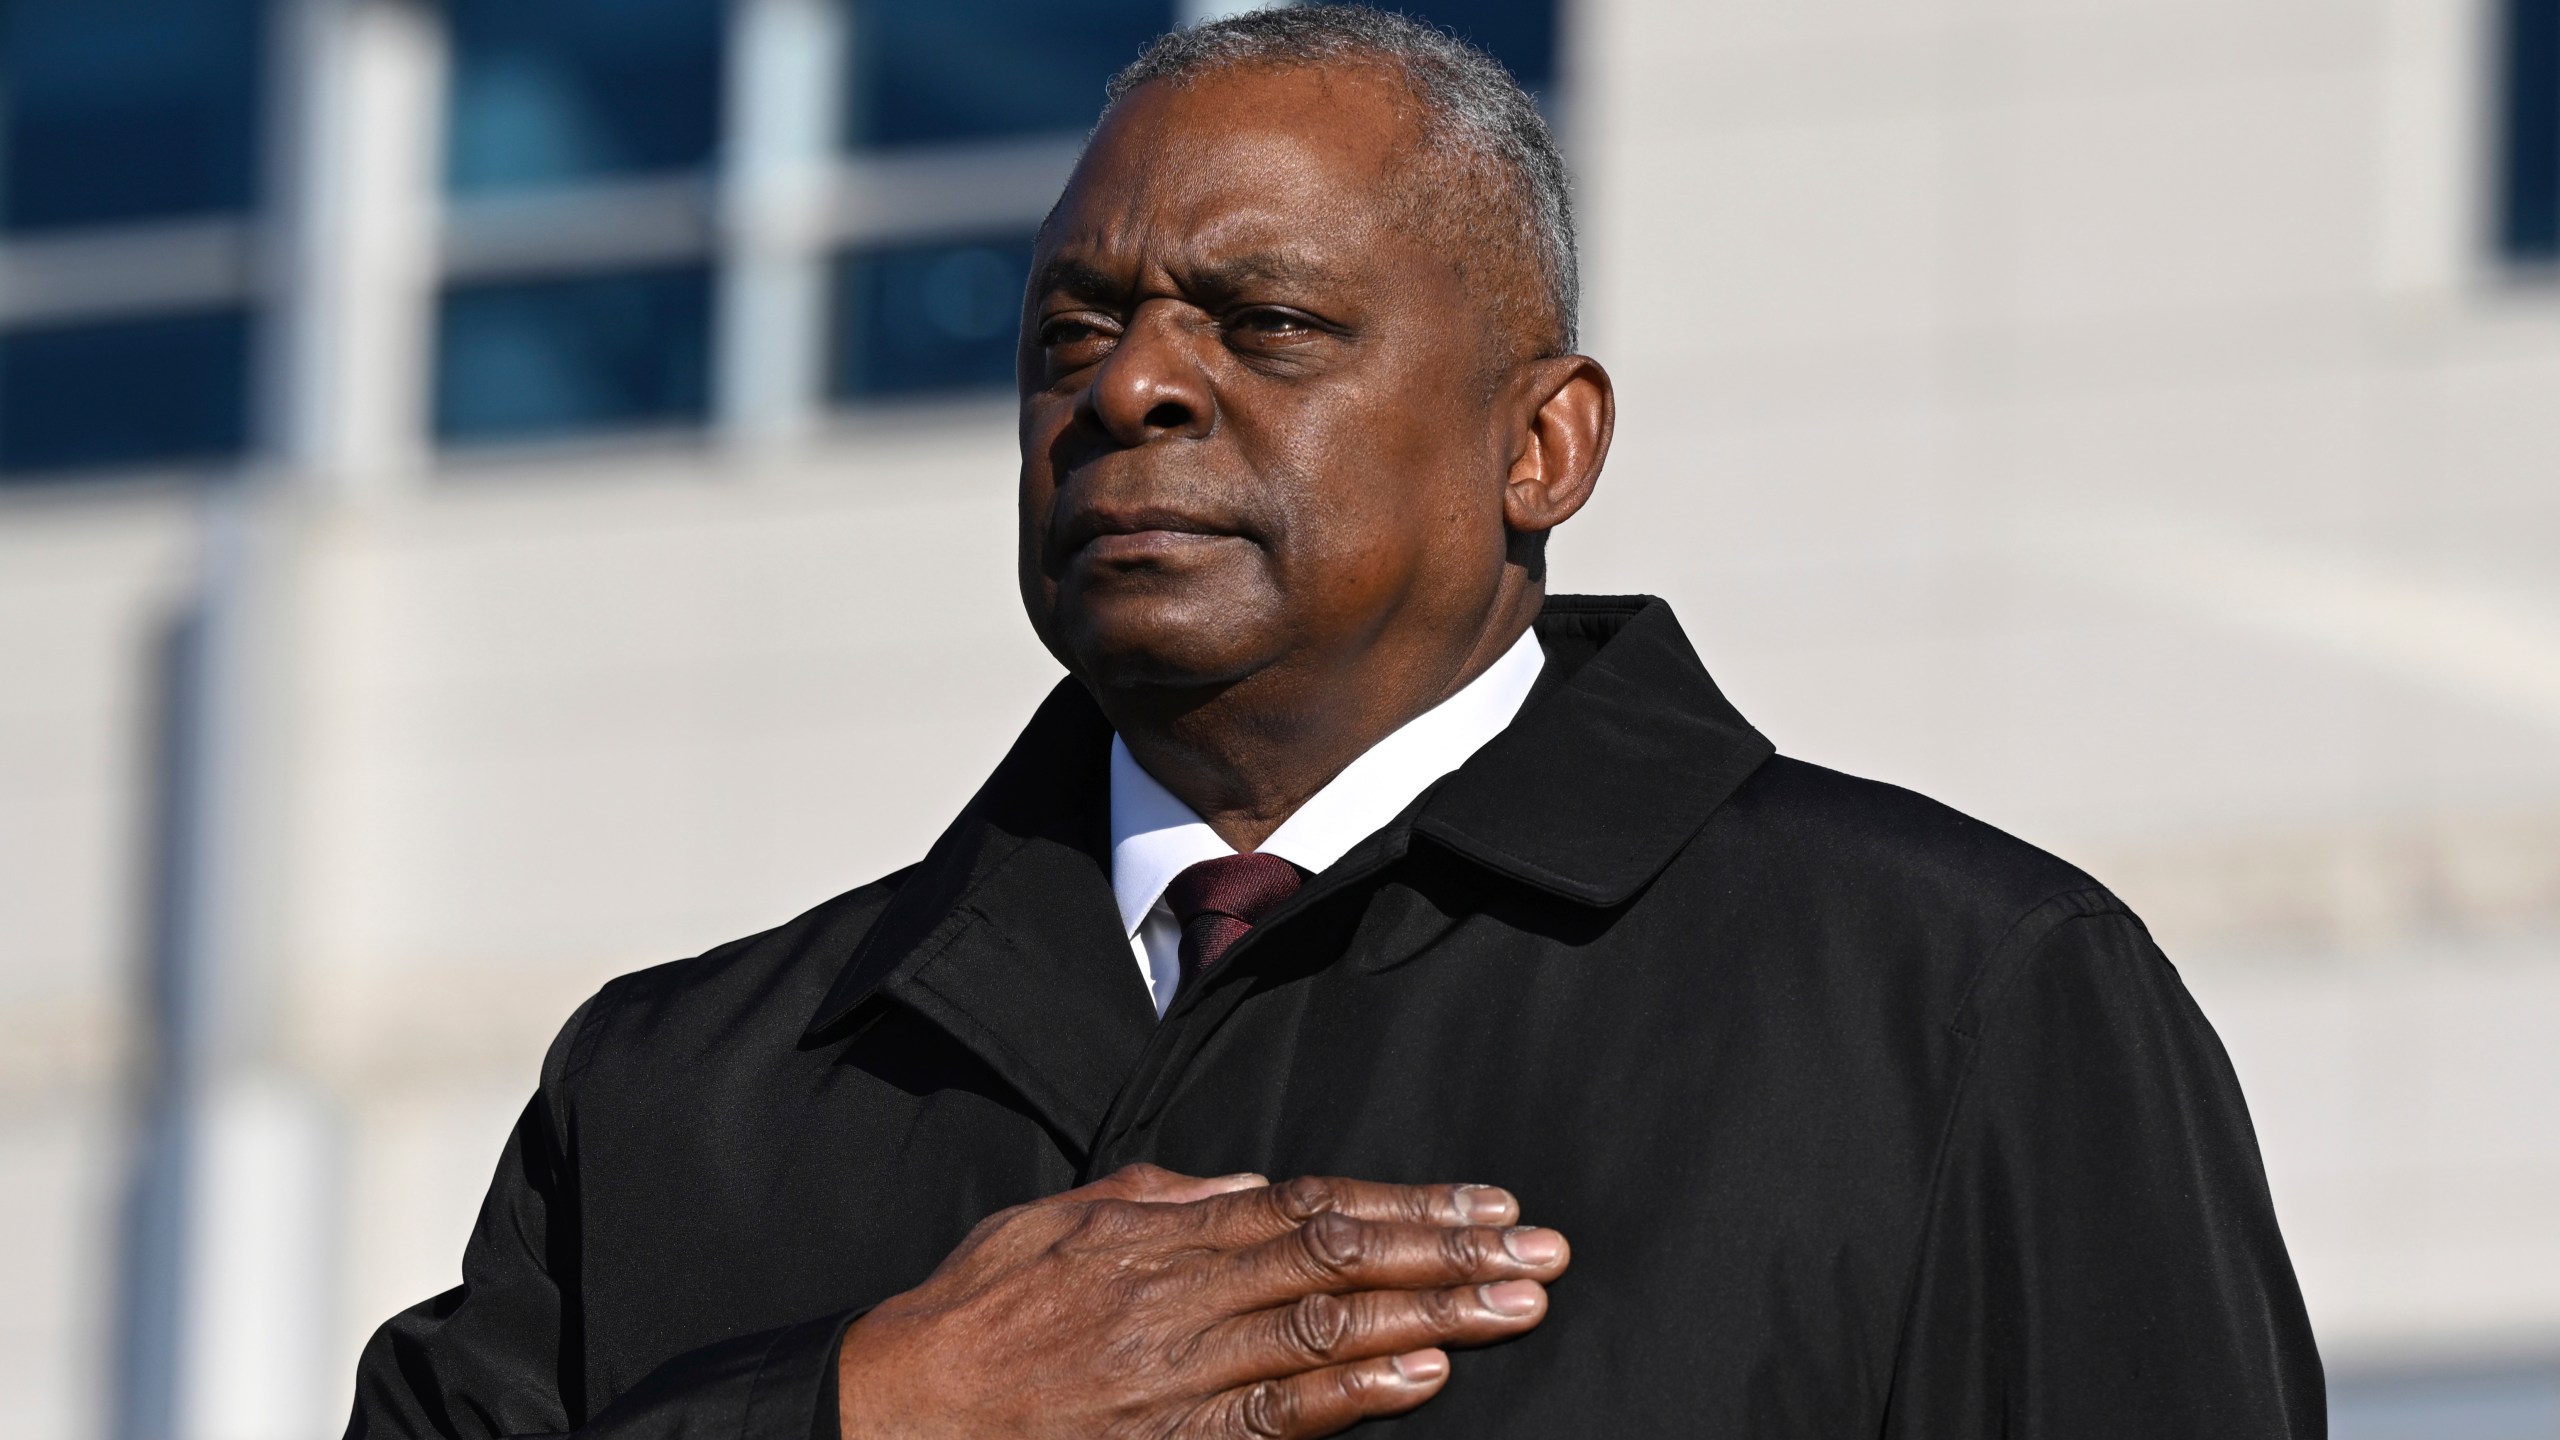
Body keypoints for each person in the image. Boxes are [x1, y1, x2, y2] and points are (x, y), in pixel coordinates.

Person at [346, 9, 2323, 1438]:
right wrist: (874, 1412)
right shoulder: (687, 1087)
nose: (1129, 388)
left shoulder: (1949, 1002)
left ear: (1538, 444)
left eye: (1262, 321)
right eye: (1070, 329)